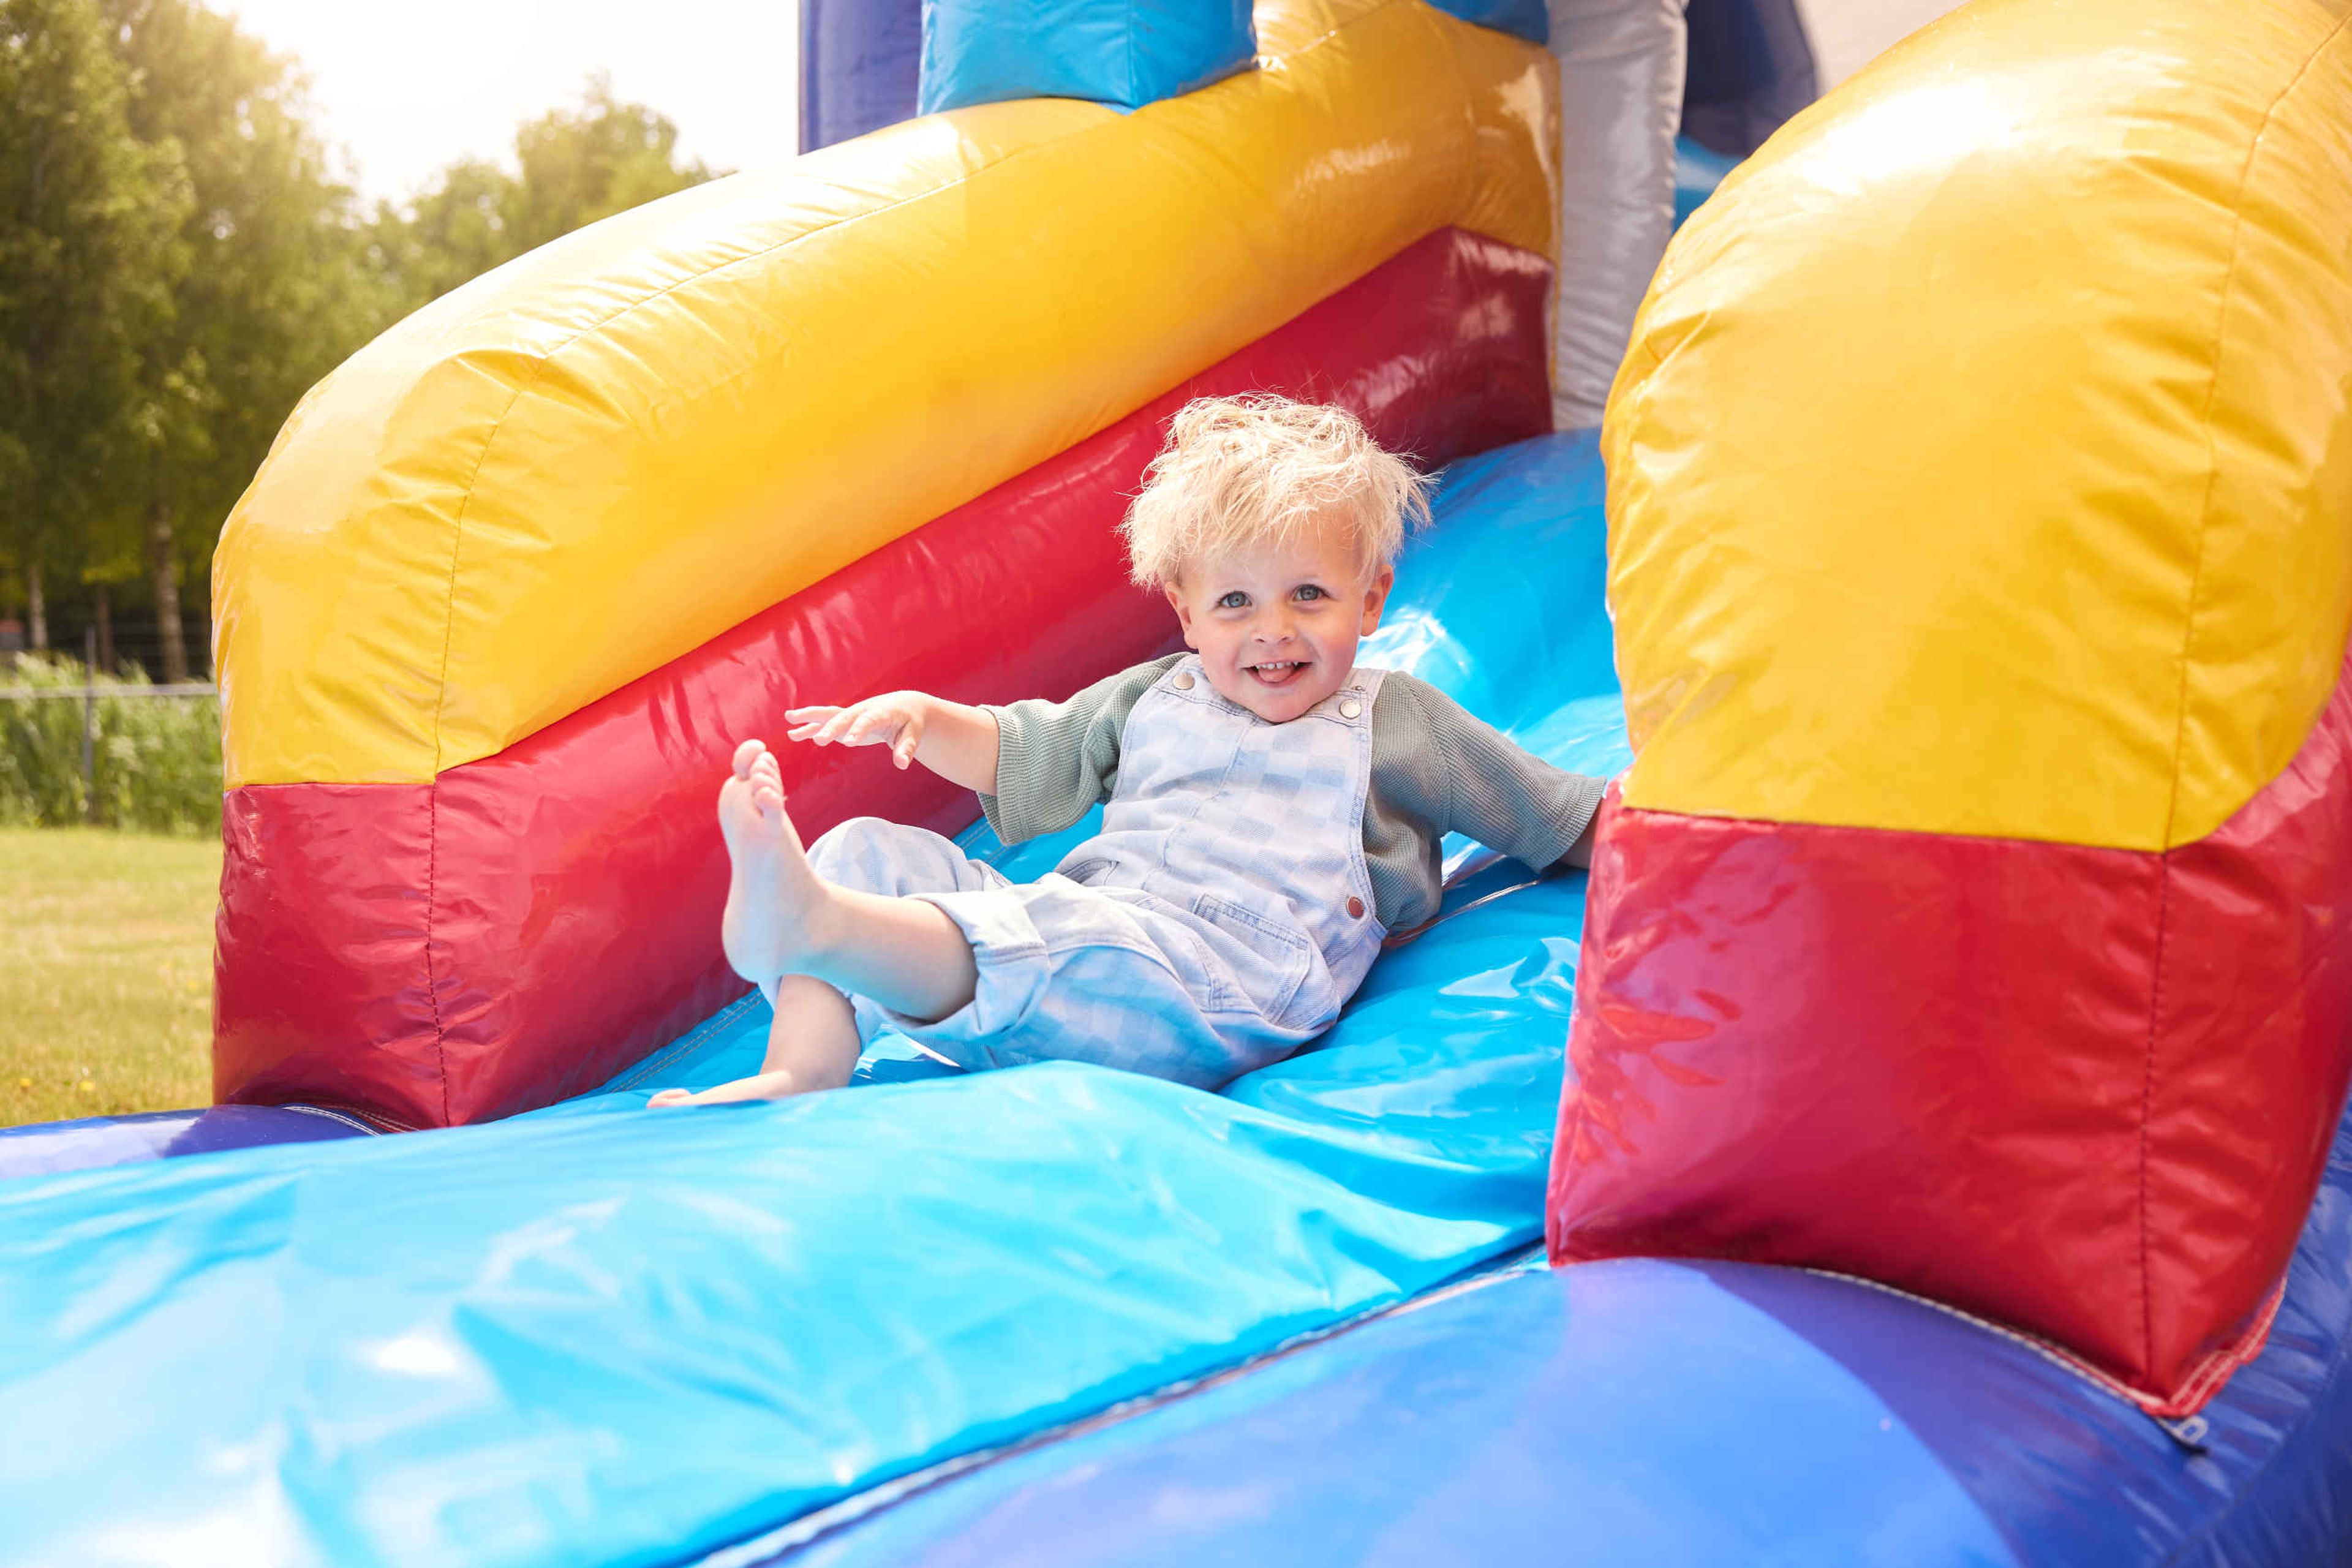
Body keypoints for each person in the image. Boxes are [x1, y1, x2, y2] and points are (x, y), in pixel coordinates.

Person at [650, 395, 1606, 1107]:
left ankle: (820, 926)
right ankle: (804, 1063)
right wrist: (928, 720)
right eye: (1235, 602)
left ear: (1371, 600)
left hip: (1228, 975)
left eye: (1309, 595)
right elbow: (1031, 752)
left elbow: (1551, 812)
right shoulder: (1156, 695)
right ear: (1187, 614)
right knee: (867, 851)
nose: (1273, 629)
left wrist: (1661, 817)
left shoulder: (1396, 719)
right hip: (1101, 919)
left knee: (1064, 932)